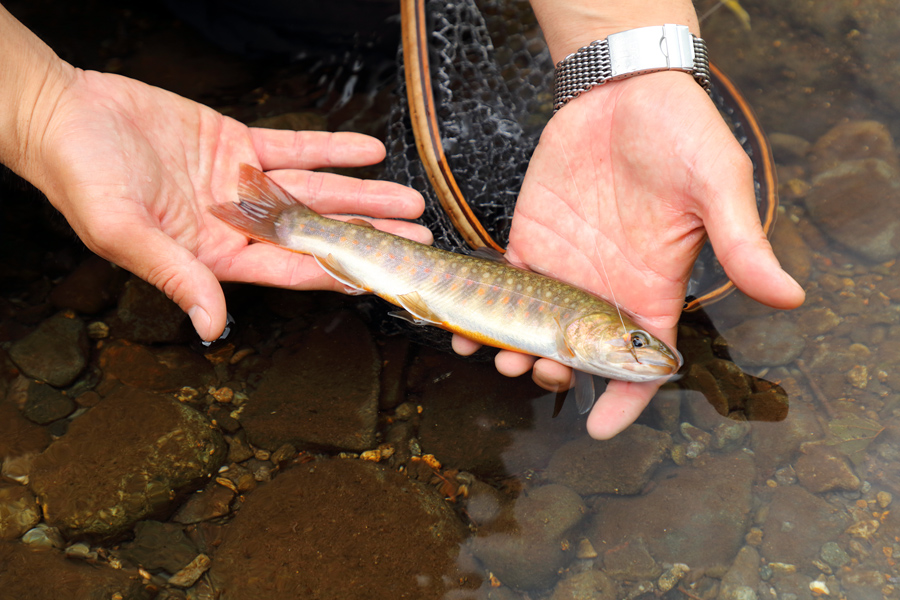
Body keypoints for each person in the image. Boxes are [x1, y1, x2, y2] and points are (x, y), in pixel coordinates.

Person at [0, 1, 804, 440]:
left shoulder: (584, 324)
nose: (644, 353)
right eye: (636, 345)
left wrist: (624, 59)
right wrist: (35, 106)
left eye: (639, 347)